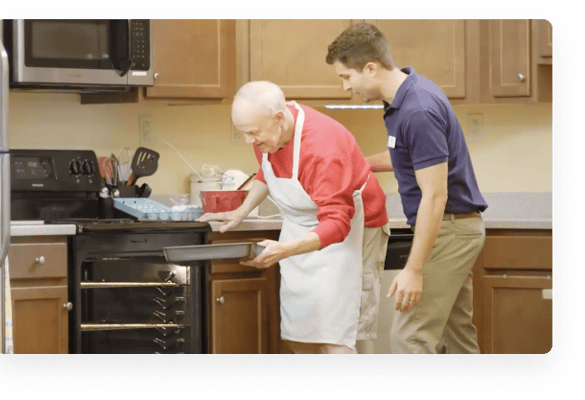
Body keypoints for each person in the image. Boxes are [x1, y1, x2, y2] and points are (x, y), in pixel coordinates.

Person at [326, 22, 488, 354]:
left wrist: (413, 270)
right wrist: (357, 163)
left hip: (448, 231)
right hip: (453, 229)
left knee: (409, 338)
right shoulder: (408, 96)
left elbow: (435, 194)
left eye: (346, 77)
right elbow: (411, 155)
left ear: (370, 68)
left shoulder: (417, 110)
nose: (345, 87)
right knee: (457, 337)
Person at [198, 80, 390, 354]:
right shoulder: (269, 132)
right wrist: (241, 211)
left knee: (340, 333)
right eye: (243, 133)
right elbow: (268, 168)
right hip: (303, 229)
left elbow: (337, 223)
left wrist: (284, 249)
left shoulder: (323, 148)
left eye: (253, 133)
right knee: (299, 331)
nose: (249, 141)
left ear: (279, 118)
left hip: (351, 231)